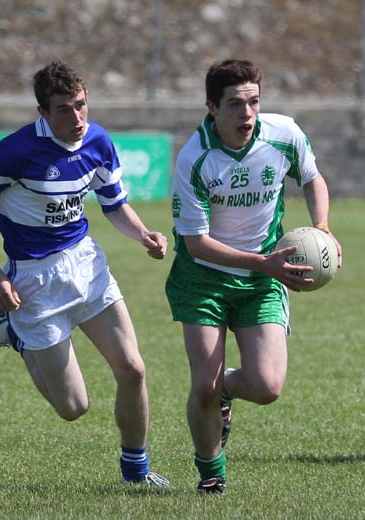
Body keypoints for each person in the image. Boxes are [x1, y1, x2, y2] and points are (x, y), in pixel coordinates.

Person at [0, 60, 170, 489]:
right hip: (34, 281)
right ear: (42, 112)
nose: (77, 118)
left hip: (86, 265)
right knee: (73, 408)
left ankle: (136, 472)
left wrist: (144, 233)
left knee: (133, 369)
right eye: (64, 110)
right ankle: (14, 333)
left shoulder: (98, 142)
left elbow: (113, 204)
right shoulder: (12, 153)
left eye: (82, 105)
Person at [165, 59, 342, 495]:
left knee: (267, 387)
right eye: (235, 105)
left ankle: (226, 388)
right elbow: (197, 245)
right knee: (200, 387)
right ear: (212, 107)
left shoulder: (284, 135)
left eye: (253, 102)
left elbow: (313, 179)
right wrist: (264, 263)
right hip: (203, 279)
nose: (247, 113)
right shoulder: (195, 157)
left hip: (261, 279)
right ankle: (211, 474)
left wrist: (320, 228)